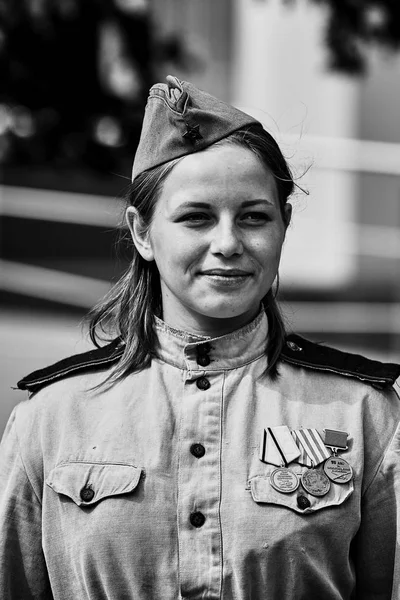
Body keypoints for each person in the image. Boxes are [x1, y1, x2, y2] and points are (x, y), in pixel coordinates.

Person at [0, 75, 399, 600]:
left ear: (285, 225)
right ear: (142, 232)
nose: (228, 243)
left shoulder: (364, 413)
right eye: (196, 218)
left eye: (255, 217)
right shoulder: (51, 417)